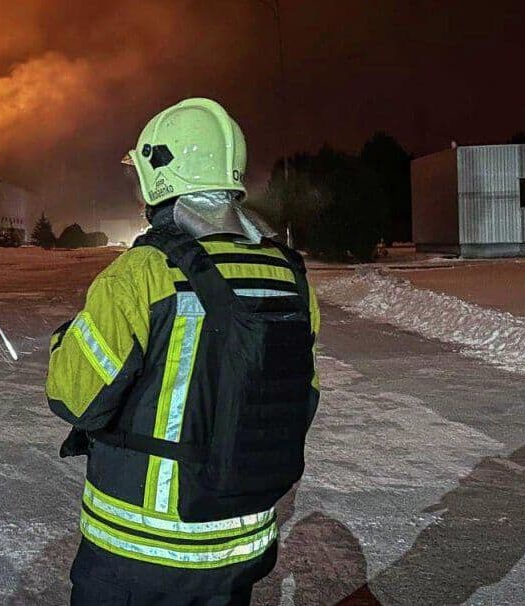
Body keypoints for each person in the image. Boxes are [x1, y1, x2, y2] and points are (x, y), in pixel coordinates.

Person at [46, 97, 321, 605]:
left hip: (139, 549)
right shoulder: (290, 275)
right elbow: (301, 398)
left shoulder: (142, 273)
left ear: (160, 179)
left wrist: (68, 340)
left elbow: (75, 397)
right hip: (241, 544)